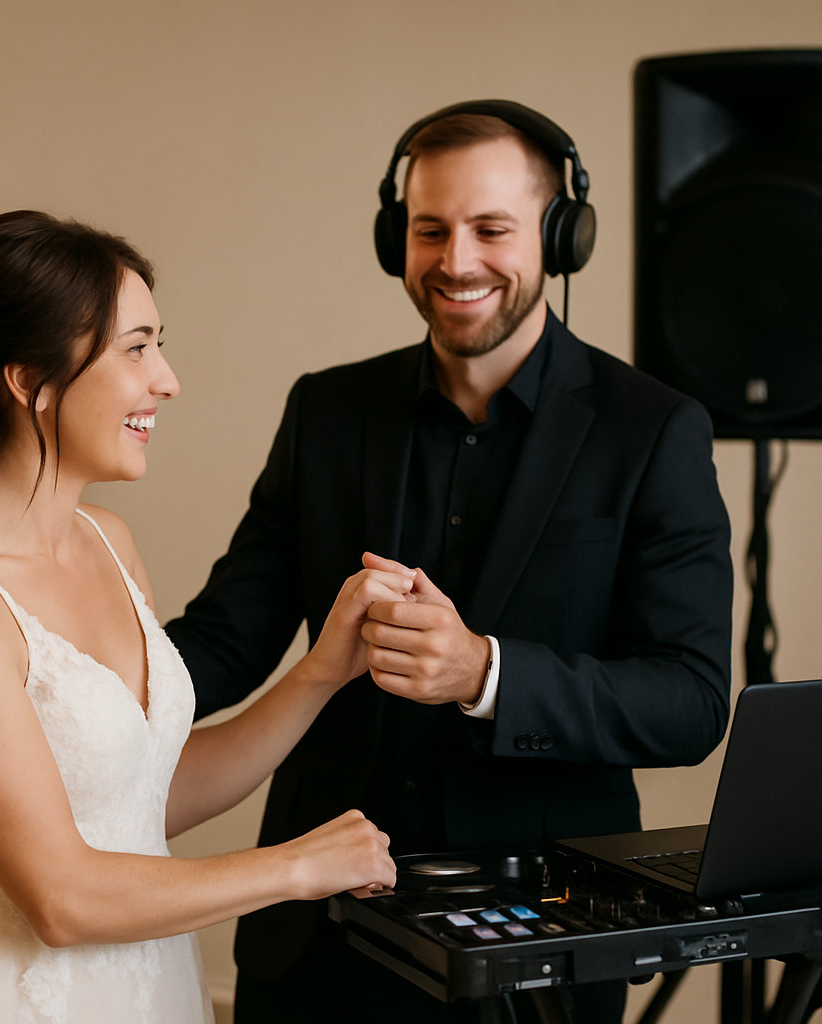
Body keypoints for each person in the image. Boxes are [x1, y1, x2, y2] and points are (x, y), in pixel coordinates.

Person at [164, 101, 734, 1022]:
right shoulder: (327, 411)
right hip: (318, 934)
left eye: (492, 229)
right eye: (430, 230)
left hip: (539, 946)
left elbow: (692, 702)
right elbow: (226, 637)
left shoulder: (655, 431)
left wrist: (486, 673)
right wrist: (72, 678)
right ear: (397, 237)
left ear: (560, 236)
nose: (457, 261)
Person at [0, 210, 400, 1024]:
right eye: (136, 349)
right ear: (29, 380)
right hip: (12, 998)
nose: (166, 380)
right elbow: (61, 898)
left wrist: (319, 674)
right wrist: (296, 868)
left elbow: (140, 802)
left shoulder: (111, 541)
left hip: (147, 985)